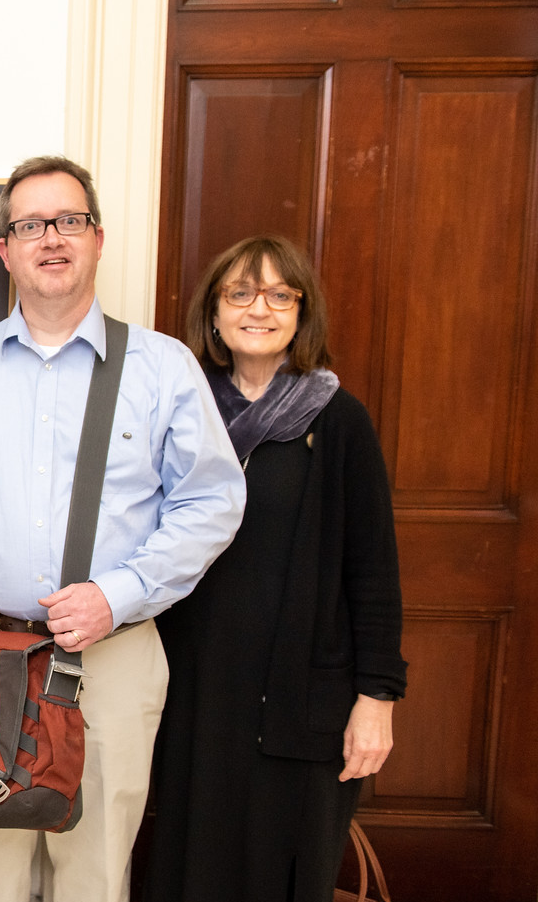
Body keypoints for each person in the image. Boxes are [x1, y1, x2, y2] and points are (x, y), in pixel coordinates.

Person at [0, 155, 246, 902]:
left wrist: (118, 594)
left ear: (97, 237)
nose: (51, 238)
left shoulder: (161, 367)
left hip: (113, 660)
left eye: (69, 220)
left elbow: (210, 502)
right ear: (6, 250)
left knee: (95, 873)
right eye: (30, 225)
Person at [145, 235, 407, 901]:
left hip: (298, 698)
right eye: (239, 293)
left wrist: (376, 698)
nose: (258, 309)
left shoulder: (340, 420)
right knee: (186, 868)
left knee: (282, 873)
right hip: (190, 692)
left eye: (278, 295)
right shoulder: (177, 412)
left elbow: (372, 569)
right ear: (213, 314)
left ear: (300, 313)